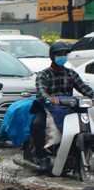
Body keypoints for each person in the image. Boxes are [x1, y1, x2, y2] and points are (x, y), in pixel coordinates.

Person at [32, 41, 94, 170]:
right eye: (59, 54)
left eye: (65, 54)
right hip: (47, 107)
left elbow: (84, 88)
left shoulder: (71, 74)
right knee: (37, 124)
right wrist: (48, 98)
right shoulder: (44, 74)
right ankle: (42, 156)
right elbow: (41, 89)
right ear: (52, 57)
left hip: (67, 107)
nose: (62, 56)